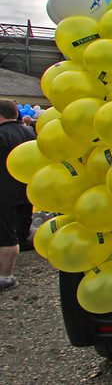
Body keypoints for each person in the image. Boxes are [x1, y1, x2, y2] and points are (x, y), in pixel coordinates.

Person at [0, 99, 37, 291]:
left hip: (5, 194)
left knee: (7, 237)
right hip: (26, 192)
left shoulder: (2, 133)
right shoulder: (28, 131)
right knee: (19, 233)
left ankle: (6, 277)